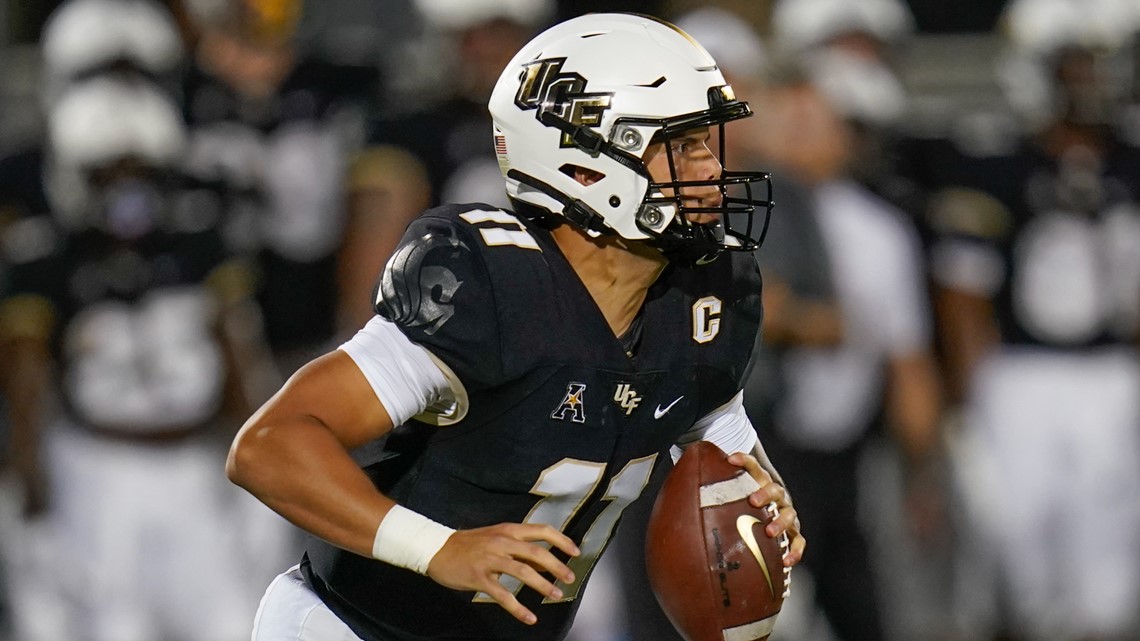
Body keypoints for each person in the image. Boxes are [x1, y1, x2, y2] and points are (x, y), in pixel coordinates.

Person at [227, 12, 805, 641]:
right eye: (680, 146)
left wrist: (762, 501)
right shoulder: (491, 283)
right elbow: (269, 446)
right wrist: (439, 548)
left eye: (706, 144)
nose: (711, 172)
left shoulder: (706, 291)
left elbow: (714, 427)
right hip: (355, 627)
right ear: (585, 166)